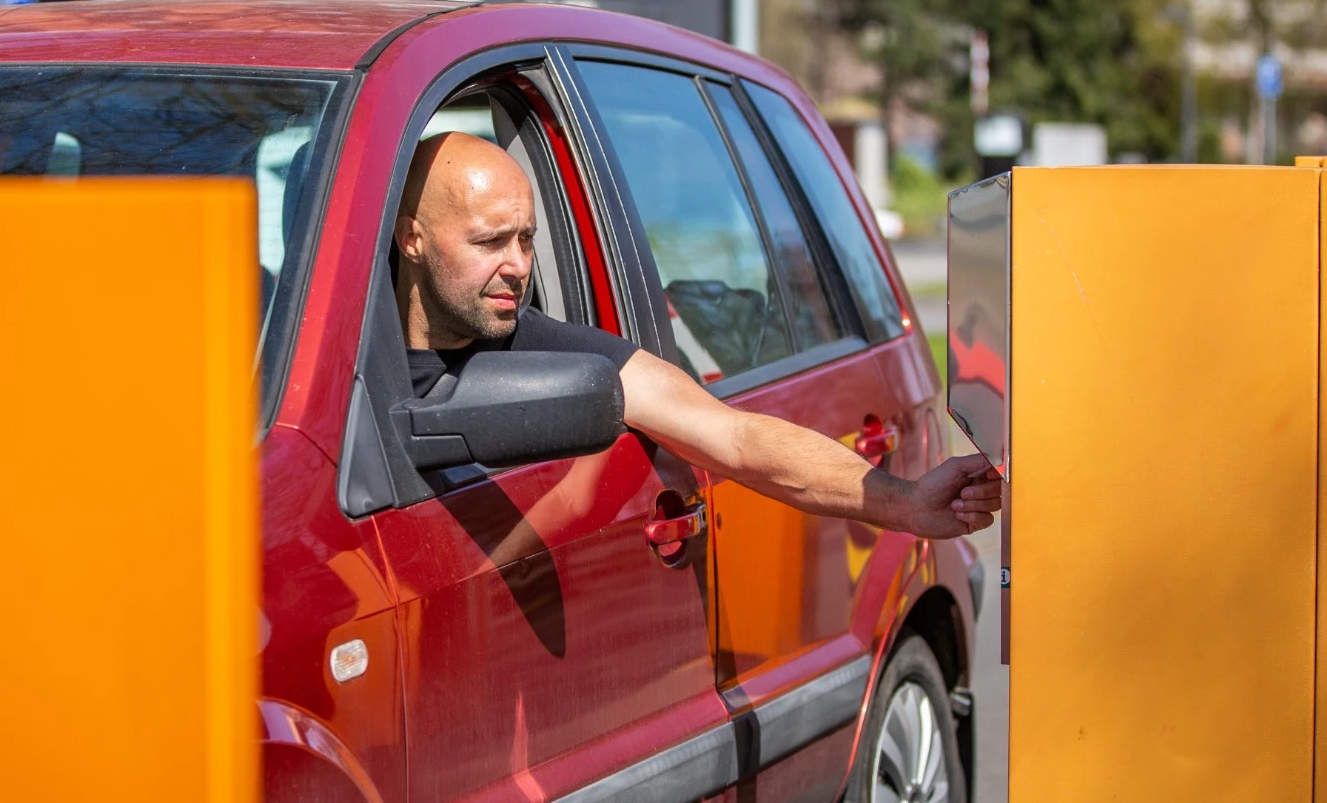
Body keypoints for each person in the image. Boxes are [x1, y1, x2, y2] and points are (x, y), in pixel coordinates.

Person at [396, 132, 1002, 539]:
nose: (518, 265)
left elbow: (733, 437)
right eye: (490, 242)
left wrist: (906, 501)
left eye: (527, 239)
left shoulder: (548, 348)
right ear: (411, 239)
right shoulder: (342, 359)